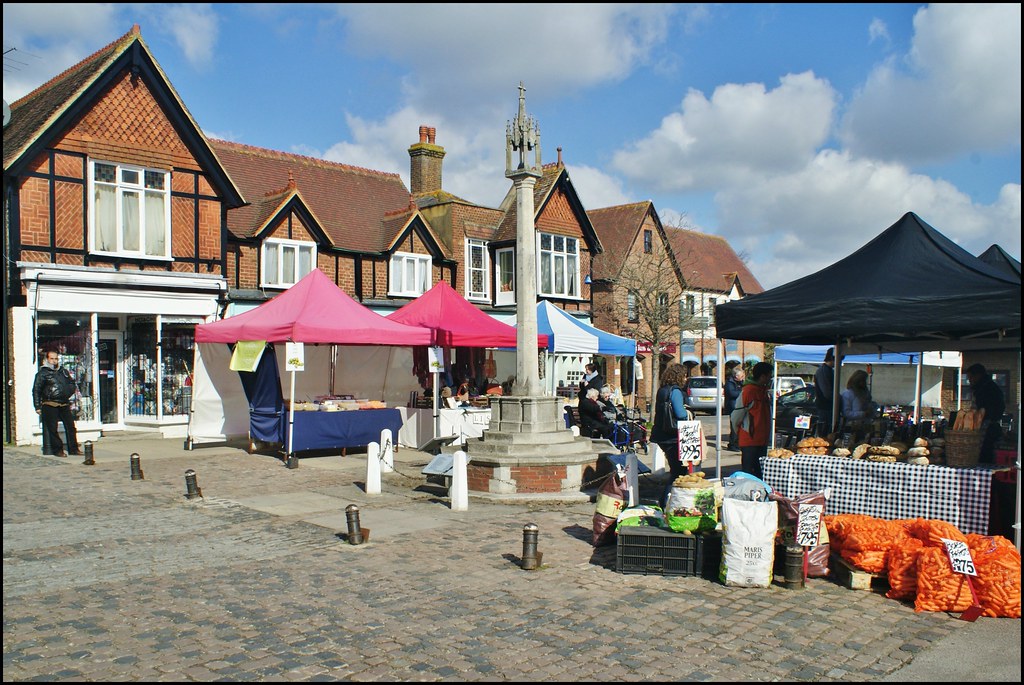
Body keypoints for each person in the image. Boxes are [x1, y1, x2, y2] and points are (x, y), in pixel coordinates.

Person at [650, 363, 693, 507]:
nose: (686, 379)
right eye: (685, 376)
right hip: (672, 436)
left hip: (661, 434)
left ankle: (668, 501)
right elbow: (680, 414)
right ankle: (666, 503)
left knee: (675, 469)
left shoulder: (662, 390)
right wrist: (688, 412)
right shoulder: (675, 391)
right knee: (678, 472)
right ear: (679, 376)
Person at [32, 349, 80, 457]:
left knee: (70, 427)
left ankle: (74, 448)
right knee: (52, 429)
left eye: (56, 358)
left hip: (64, 403)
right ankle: (58, 450)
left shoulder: (63, 371)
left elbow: (71, 383)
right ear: (47, 359)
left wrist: (68, 392)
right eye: (52, 358)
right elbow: (36, 390)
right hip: (50, 403)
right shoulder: (42, 373)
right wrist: (37, 406)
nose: (54, 361)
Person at [737, 361, 772, 480]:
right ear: (762, 376)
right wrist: (740, 432)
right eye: (769, 376)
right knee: (748, 474)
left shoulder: (762, 391)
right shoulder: (748, 391)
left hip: (761, 440)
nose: (770, 378)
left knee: (760, 473)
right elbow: (736, 415)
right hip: (750, 440)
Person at [965, 363, 1005, 464]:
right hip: (988, 425)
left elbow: (982, 411)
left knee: (984, 454)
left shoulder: (985, 389)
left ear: (978, 375)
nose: (969, 380)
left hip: (987, 427)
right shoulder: (987, 387)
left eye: (970, 377)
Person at [814, 347, 835, 434]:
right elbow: (827, 392)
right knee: (825, 433)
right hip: (825, 407)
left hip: (828, 407)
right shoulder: (823, 371)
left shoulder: (829, 370)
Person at [723, 366, 744, 450]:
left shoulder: (741, 383)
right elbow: (732, 394)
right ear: (736, 376)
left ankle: (738, 443)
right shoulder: (729, 383)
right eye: (741, 376)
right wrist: (742, 392)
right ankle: (732, 444)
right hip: (733, 407)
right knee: (734, 427)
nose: (742, 378)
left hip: (740, 407)